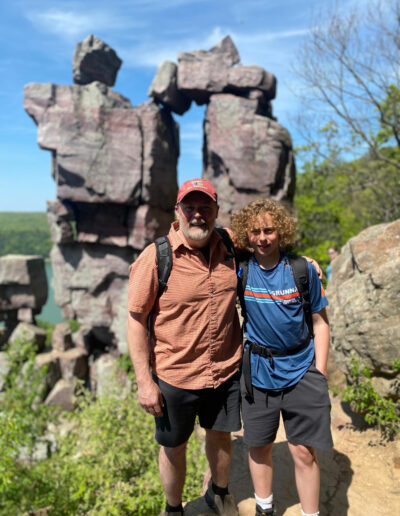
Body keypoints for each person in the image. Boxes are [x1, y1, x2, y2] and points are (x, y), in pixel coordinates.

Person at [127, 178, 242, 516]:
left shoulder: (229, 245)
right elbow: (135, 320)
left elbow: (269, 244)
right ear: (177, 212)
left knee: (220, 436)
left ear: (216, 211)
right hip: (174, 377)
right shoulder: (156, 257)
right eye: (189, 207)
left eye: (205, 207)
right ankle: (173, 509)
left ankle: (219, 493)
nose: (197, 215)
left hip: (225, 370)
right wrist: (144, 382)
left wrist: (304, 260)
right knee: (174, 447)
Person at [230, 199, 333, 516]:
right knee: (258, 446)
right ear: (246, 235)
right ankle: (265, 507)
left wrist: (320, 372)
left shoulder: (302, 270)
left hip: (302, 370)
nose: (262, 237)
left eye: (269, 230)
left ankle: (310, 513)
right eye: (255, 231)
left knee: (303, 451)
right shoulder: (240, 272)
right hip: (258, 374)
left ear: (281, 232)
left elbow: (320, 322)